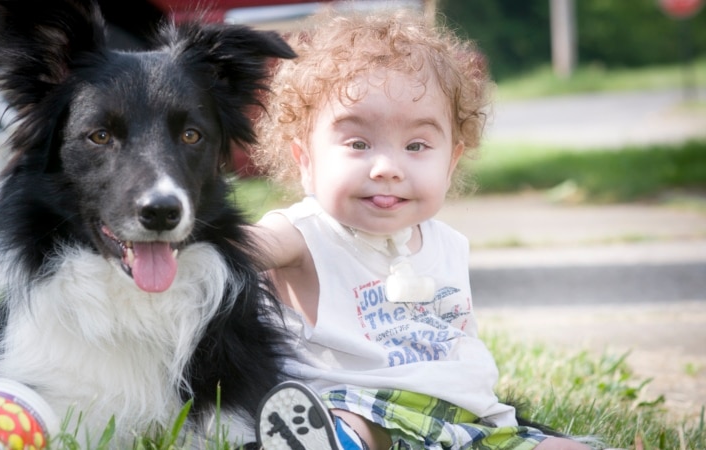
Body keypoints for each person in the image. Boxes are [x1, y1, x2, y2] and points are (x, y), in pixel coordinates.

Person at [248, 7, 595, 450]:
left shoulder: (448, 245)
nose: (388, 167)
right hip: (358, 403)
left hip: (460, 413)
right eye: (358, 144)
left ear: (451, 162)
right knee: (350, 424)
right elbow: (231, 252)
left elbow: (458, 337)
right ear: (305, 161)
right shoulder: (302, 233)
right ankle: (324, 443)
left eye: (416, 146)